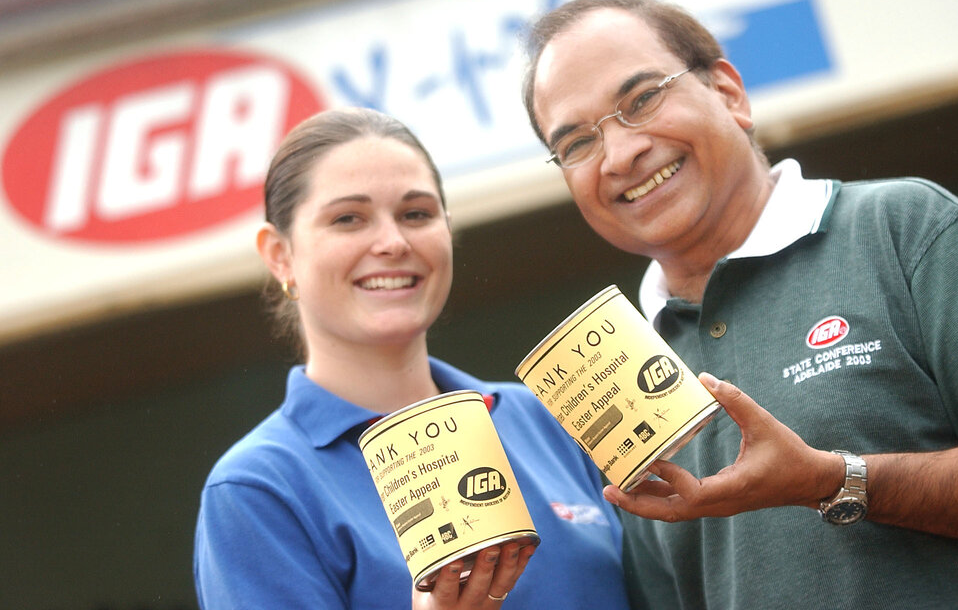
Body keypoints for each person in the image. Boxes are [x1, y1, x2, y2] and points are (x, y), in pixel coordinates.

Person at [521, 0, 958, 609]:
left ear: (728, 93)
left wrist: (834, 481)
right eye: (578, 143)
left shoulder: (904, 229)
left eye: (640, 101)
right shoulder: (614, 373)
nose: (619, 154)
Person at [193, 107, 633, 610]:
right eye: (348, 219)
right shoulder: (258, 489)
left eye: (416, 214)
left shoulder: (544, 415)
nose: (393, 242)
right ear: (279, 255)